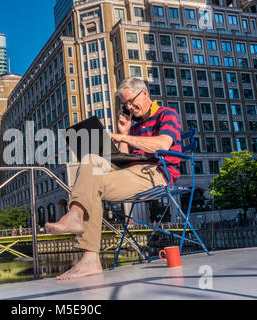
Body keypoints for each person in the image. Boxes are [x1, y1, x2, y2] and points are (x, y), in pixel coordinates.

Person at [45, 77, 182, 280]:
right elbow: (126, 159)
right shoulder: (134, 126)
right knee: (91, 159)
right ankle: (76, 219)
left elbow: (161, 144)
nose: (128, 107)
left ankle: (88, 253)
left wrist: (123, 137)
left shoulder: (167, 114)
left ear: (144, 93)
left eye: (130, 101)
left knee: (93, 185)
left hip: (156, 175)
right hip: (131, 173)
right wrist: (124, 131)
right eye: (124, 104)